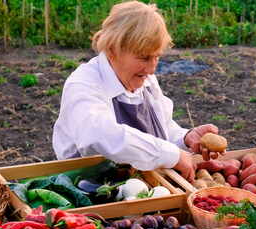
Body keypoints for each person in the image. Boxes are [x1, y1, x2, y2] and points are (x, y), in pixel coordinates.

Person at [52, 1, 220, 182]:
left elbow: (161, 130)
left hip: (145, 187)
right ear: (112, 50)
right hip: (91, 192)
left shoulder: (145, 81)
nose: (151, 69)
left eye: (156, 57)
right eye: (144, 57)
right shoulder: (84, 84)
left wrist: (185, 139)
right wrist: (171, 155)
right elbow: (100, 136)